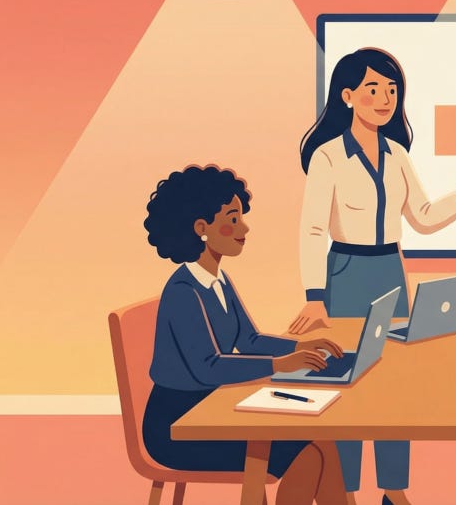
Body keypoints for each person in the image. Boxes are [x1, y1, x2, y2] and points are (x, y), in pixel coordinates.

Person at [288, 47, 456, 505]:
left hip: (392, 270)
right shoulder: (328, 157)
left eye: (392, 89)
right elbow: (313, 229)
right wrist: (315, 295)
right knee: (349, 381)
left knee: (396, 381)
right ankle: (346, 490)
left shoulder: (396, 153)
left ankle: (394, 489)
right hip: (346, 270)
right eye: (373, 88)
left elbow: (424, 217)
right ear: (348, 95)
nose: (384, 98)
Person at [142, 165, 347, 505]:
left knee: (323, 440)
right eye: (233, 219)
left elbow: (249, 340)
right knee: (307, 453)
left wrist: (300, 346)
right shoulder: (183, 291)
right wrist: (283, 363)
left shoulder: (219, 280)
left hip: (213, 409)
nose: (244, 227)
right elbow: (207, 367)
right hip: (180, 426)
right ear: (201, 228)